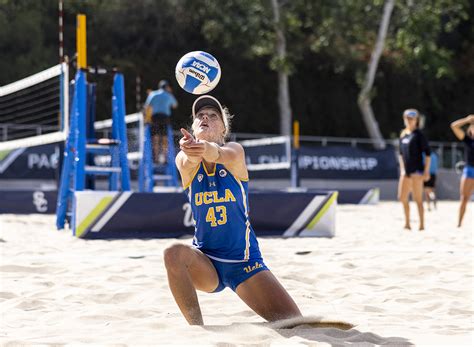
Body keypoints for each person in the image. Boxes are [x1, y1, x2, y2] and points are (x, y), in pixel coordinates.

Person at [163, 95, 302, 325]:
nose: (205, 117)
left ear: (223, 129)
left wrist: (204, 147)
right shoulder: (183, 159)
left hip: (244, 263)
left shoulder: (235, 152)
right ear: (193, 127)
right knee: (173, 253)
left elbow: (219, 154)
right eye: (199, 116)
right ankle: (197, 331)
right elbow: (186, 162)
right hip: (206, 263)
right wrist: (191, 151)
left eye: (213, 116)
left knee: (295, 324)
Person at [398, 109, 431, 231]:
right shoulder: (403, 134)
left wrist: (426, 171)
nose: (409, 120)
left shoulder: (419, 135)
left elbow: (428, 154)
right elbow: (401, 154)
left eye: (412, 118)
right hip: (405, 172)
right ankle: (407, 223)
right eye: (407, 118)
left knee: (418, 199)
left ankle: (421, 224)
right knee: (402, 197)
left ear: (416, 120)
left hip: (417, 171)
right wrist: (402, 169)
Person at [143, 80, 178, 163]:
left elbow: (146, 106)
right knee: (164, 138)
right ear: (167, 87)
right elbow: (175, 105)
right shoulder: (169, 95)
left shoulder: (153, 94)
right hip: (165, 117)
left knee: (155, 137)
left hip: (155, 117)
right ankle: (165, 158)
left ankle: (155, 157)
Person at [450, 114, 474, 227]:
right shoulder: (468, 140)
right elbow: (454, 126)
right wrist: (467, 120)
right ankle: (459, 223)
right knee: (464, 198)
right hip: (469, 170)